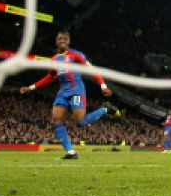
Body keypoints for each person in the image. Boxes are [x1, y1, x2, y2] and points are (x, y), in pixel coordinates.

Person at [19, 30, 119, 160]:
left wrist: (103, 85)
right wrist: (31, 87)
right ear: (56, 41)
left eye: (65, 39)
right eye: (60, 39)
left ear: (69, 41)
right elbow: (51, 77)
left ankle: (105, 108)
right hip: (62, 93)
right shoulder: (54, 59)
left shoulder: (76, 55)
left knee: (80, 122)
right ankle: (71, 152)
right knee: (56, 121)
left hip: (76, 90)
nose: (62, 41)